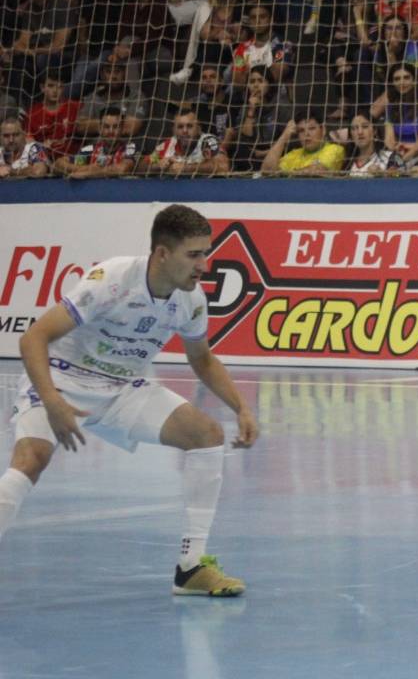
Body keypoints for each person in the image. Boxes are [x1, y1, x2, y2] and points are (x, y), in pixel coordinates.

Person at [0, 204, 258, 596]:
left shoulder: (190, 300)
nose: (204, 264)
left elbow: (201, 358)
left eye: (206, 253)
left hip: (121, 388)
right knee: (30, 460)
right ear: (162, 254)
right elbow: (32, 337)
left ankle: (191, 569)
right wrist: (52, 400)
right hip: (61, 381)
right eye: (194, 254)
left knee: (205, 434)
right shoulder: (113, 279)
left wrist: (240, 407)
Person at [53, 106, 140, 179]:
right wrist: (85, 168)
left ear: (122, 129)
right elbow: (58, 164)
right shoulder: (90, 149)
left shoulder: (130, 148)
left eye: (115, 127)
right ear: (100, 128)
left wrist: (90, 173)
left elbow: (122, 169)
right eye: (106, 127)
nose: (111, 131)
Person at [262, 113, 347, 175]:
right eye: (301, 131)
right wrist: (284, 135)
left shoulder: (335, 149)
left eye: (312, 128)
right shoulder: (294, 153)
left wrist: (283, 173)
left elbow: (317, 171)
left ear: (323, 130)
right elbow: (266, 170)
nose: (307, 134)